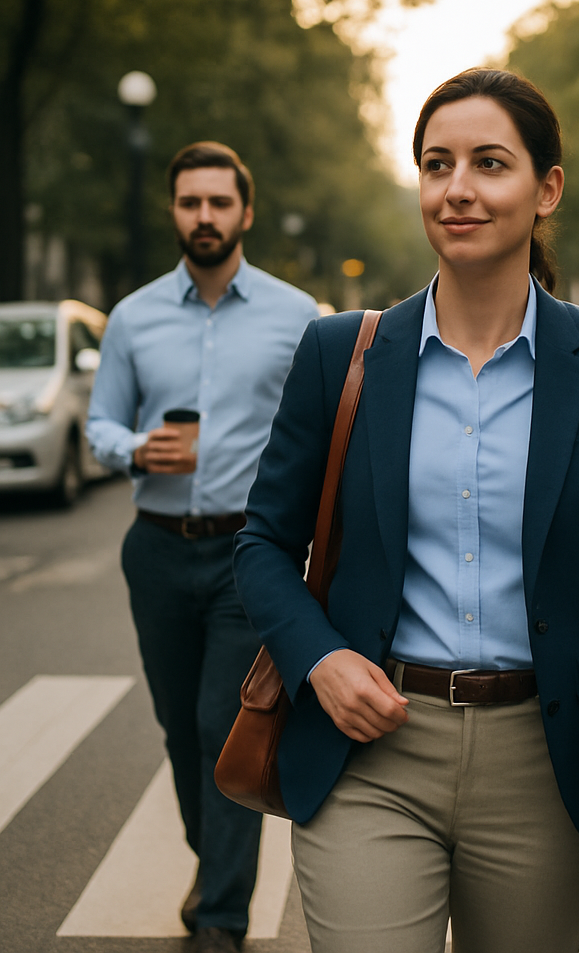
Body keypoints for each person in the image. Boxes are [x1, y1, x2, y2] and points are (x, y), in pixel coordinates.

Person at [233, 68, 579, 953]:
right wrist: (322, 661)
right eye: (436, 164)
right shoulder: (340, 352)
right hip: (368, 754)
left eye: (489, 163)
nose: (457, 188)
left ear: (547, 189)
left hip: (546, 761)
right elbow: (263, 544)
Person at [87, 141, 319, 953]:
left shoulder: (299, 316)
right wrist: (132, 449)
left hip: (246, 558)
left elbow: (323, 433)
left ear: (245, 212)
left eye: (220, 203)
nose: (206, 217)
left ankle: (222, 913)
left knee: (227, 726)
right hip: (153, 549)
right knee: (179, 727)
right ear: (174, 211)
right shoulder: (134, 317)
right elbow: (100, 423)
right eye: (191, 203)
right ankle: (212, 860)